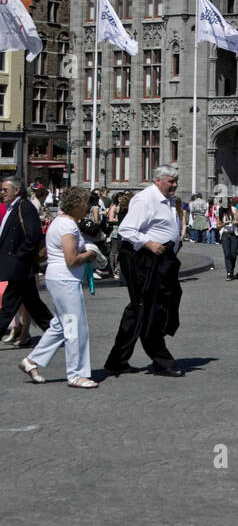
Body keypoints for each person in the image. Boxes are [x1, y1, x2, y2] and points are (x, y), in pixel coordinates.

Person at [103, 166, 185, 378]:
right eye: (170, 181)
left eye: (176, 181)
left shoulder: (167, 201)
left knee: (142, 309)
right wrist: (148, 243)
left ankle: (117, 360)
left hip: (163, 260)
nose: (174, 185)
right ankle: (161, 360)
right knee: (148, 308)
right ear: (158, 180)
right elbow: (126, 230)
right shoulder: (145, 199)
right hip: (146, 260)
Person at [19, 185, 101, 388]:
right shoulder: (68, 226)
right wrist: (90, 254)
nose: (88, 208)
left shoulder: (60, 222)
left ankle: (31, 361)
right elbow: (72, 259)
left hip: (59, 278)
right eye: (86, 204)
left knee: (61, 325)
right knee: (75, 326)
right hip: (65, 279)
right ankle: (76, 374)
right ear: (79, 204)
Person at [0, 178, 53, 346]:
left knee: (9, 304)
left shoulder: (25, 207)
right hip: (15, 264)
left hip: (20, 265)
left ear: (16, 191)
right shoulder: (11, 208)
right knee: (33, 303)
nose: (2, 192)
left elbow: (33, 235)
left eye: (5, 189)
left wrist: (20, 255)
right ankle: (56, 333)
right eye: (1, 190)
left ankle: (56, 333)